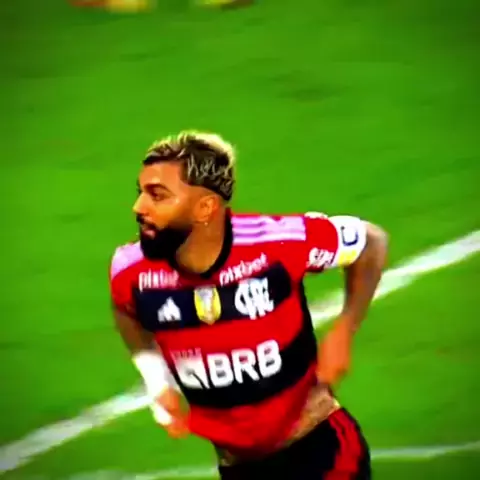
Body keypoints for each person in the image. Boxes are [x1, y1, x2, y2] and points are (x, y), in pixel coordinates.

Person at [109, 131, 388, 479]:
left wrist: (344, 332)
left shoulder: (280, 243)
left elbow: (371, 242)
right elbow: (124, 308)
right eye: (141, 193)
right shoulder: (131, 271)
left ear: (205, 207)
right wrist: (156, 379)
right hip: (238, 469)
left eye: (157, 195)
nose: (139, 207)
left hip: (320, 453)